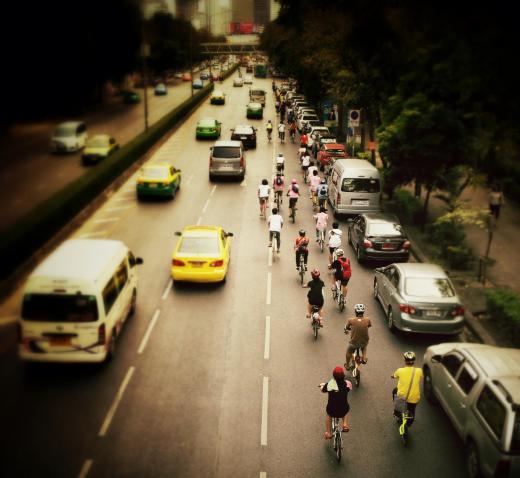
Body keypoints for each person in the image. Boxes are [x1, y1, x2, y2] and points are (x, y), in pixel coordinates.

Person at [391, 351, 423, 426]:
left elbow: (394, 376)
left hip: (402, 397)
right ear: (414, 361)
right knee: (412, 410)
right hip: (414, 398)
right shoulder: (419, 371)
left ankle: (397, 411)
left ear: (405, 361)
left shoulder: (400, 371)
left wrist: (392, 376)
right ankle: (409, 423)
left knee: (395, 391)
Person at [320, 366, 352, 438]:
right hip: (343, 409)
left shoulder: (329, 385)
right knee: (345, 411)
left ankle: (328, 433)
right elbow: (349, 388)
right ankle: (345, 424)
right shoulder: (347, 384)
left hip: (332, 410)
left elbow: (322, 390)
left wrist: (322, 386)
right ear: (343, 376)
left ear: (334, 376)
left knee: (328, 415)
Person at [344, 303, 371, 370]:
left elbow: (347, 327)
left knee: (348, 352)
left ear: (355, 311)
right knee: (364, 347)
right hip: (364, 341)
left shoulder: (351, 320)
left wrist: (347, 329)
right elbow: (369, 326)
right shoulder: (367, 320)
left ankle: (347, 365)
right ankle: (364, 358)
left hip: (354, 343)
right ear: (363, 312)